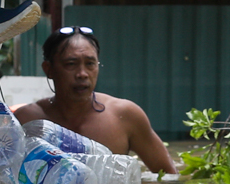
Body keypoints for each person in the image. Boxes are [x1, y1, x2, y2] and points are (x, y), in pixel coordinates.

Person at [11, 26, 178, 175]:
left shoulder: (125, 116)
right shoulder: (27, 120)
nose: (82, 73)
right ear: (48, 69)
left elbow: (170, 177)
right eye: (71, 64)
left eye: (90, 63)